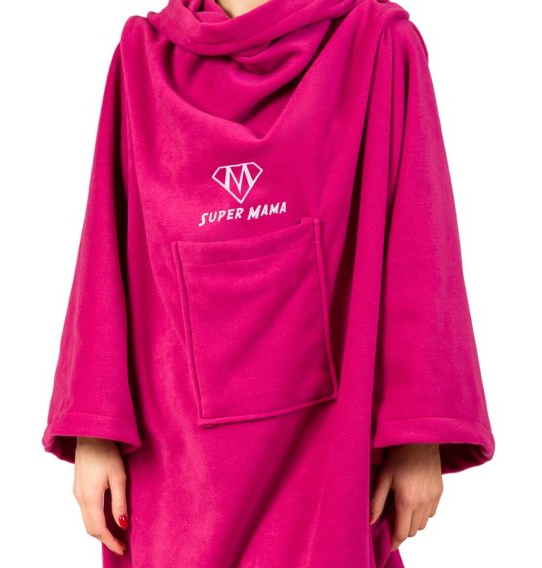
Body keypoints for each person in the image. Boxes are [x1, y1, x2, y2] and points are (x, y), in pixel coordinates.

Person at [42, 0, 496, 566]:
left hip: (333, 447)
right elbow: (105, 245)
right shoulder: (143, 60)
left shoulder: (378, 45)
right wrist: (94, 432)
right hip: (177, 454)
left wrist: (419, 434)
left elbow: (421, 241)